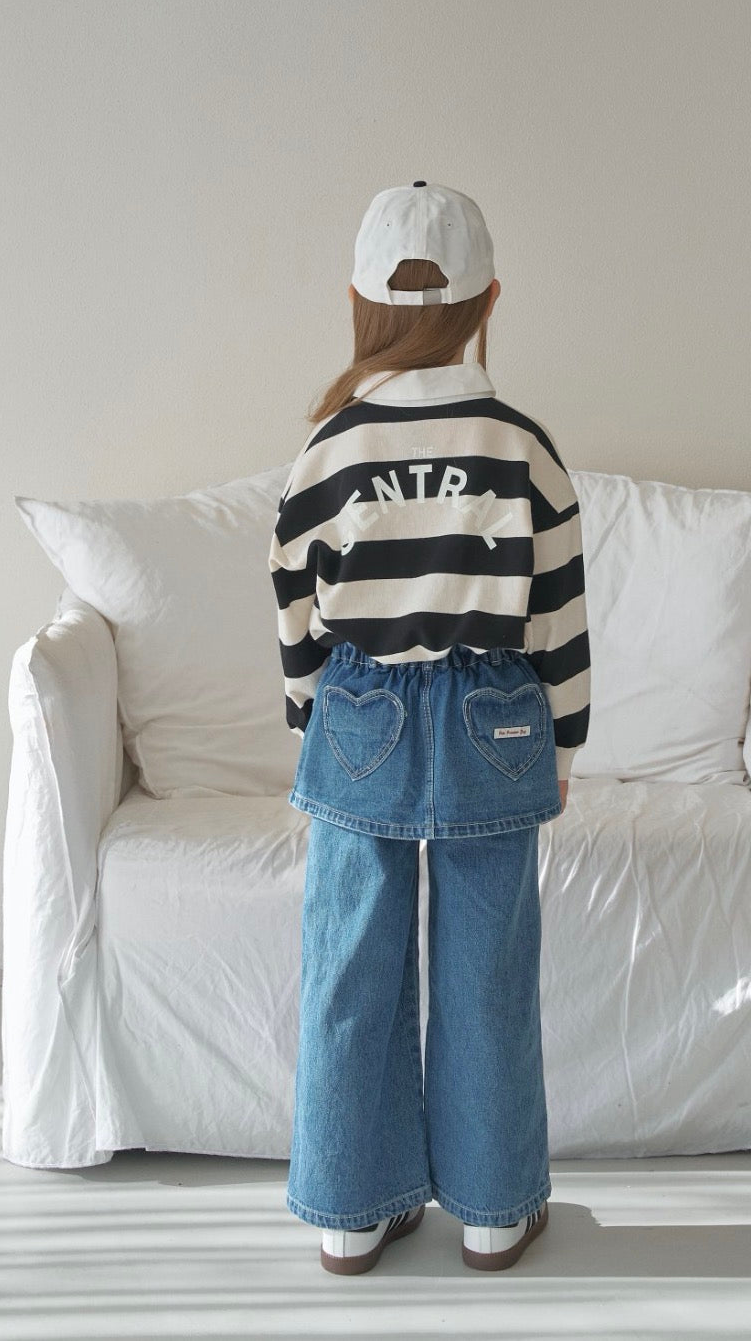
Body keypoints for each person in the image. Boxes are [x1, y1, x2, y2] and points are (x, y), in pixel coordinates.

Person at [268, 181, 591, 1275]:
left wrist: (312, 722)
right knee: (488, 963)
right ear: (490, 299)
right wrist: (564, 745)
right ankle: (495, 1211)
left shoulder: (328, 448)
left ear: (357, 301)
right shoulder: (523, 448)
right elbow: (558, 617)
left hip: (359, 714)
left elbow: (297, 609)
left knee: (350, 962)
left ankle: (349, 1214)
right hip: (498, 716)